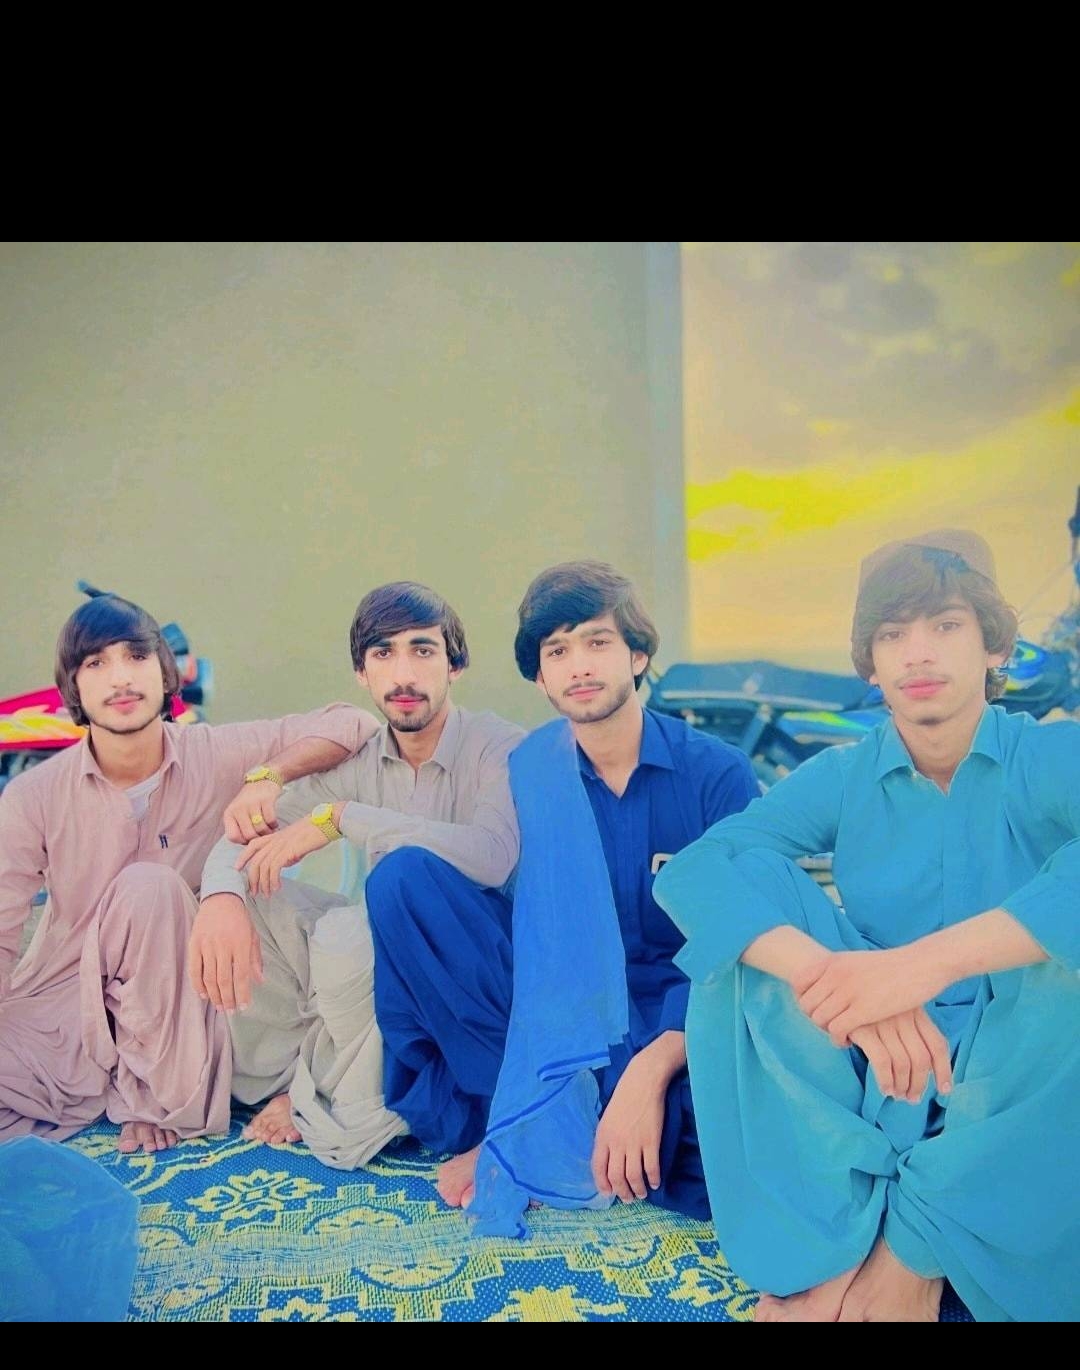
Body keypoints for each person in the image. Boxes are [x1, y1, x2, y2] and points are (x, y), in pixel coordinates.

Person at [654, 530, 1080, 1323]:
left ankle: (912, 1249)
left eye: (945, 625)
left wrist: (922, 967)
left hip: (1022, 1074)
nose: (918, 652)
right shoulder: (845, 774)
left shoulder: (1049, 757)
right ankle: (838, 1241)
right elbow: (693, 872)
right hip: (881, 1069)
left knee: (1065, 963)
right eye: (892, 633)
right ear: (871, 665)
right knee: (751, 895)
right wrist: (849, 987)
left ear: (993, 645)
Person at [0, 592, 377, 1153]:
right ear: (73, 688)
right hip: (75, 1000)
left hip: (186, 994)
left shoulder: (214, 753)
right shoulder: (34, 795)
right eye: (96, 663)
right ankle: (124, 1078)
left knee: (151, 887)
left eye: (136, 657)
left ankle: (162, 1095)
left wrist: (267, 777)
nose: (120, 678)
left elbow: (355, 722)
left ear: (164, 672)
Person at [438, 560, 759, 1222]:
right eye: (557, 651)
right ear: (540, 676)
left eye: (597, 642)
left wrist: (655, 1066)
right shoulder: (530, 775)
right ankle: (523, 1128)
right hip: (572, 1013)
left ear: (638, 655)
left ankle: (552, 1136)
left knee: (745, 1135)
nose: (578, 666)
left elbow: (744, 943)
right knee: (413, 890)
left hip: (694, 1008)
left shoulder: (716, 775)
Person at [190, 582, 524, 1168]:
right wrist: (220, 897)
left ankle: (342, 1099)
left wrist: (344, 818)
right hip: (390, 973)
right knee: (258, 900)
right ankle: (297, 1080)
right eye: (383, 653)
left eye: (423, 651)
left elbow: (492, 855)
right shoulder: (362, 762)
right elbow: (246, 836)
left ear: (455, 665)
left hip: (483, 977)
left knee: (378, 905)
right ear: (362, 674)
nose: (404, 674)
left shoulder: (496, 745)